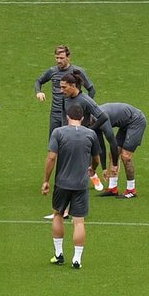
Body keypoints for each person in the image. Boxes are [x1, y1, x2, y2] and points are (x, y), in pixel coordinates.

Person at [43, 99, 98, 268]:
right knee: (79, 221)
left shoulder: (58, 133)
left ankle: (59, 254)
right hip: (81, 184)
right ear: (82, 118)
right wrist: (92, 170)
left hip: (62, 184)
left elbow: (52, 157)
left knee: (58, 215)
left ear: (68, 117)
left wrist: (46, 180)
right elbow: (96, 158)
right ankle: (77, 259)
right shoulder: (90, 134)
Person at [56, 72, 112, 192]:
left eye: (64, 87)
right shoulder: (64, 98)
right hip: (68, 135)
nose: (61, 90)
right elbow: (63, 114)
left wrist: (89, 131)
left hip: (82, 137)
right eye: (60, 87)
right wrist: (63, 130)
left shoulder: (86, 100)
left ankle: (92, 175)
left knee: (82, 163)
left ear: (73, 86)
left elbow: (103, 117)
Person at [34, 45, 94, 139]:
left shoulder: (77, 72)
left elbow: (91, 90)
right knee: (54, 142)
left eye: (61, 58)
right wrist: (38, 91)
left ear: (68, 58)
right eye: (56, 58)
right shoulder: (52, 71)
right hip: (55, 114)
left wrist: (86, 111)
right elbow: (38, 81)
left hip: (71, 114)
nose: (58, 61)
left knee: (69, 141)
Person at [94, 100, 147, 198]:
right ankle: (112, 188)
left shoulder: (101, 119)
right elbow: (101, 145)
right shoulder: (93, 123)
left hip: (136, 121)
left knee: (126, 156)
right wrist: (104, 168)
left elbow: (112, 142)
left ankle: (131, 190)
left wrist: (114, 165)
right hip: (125, 124)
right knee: (113, 154)